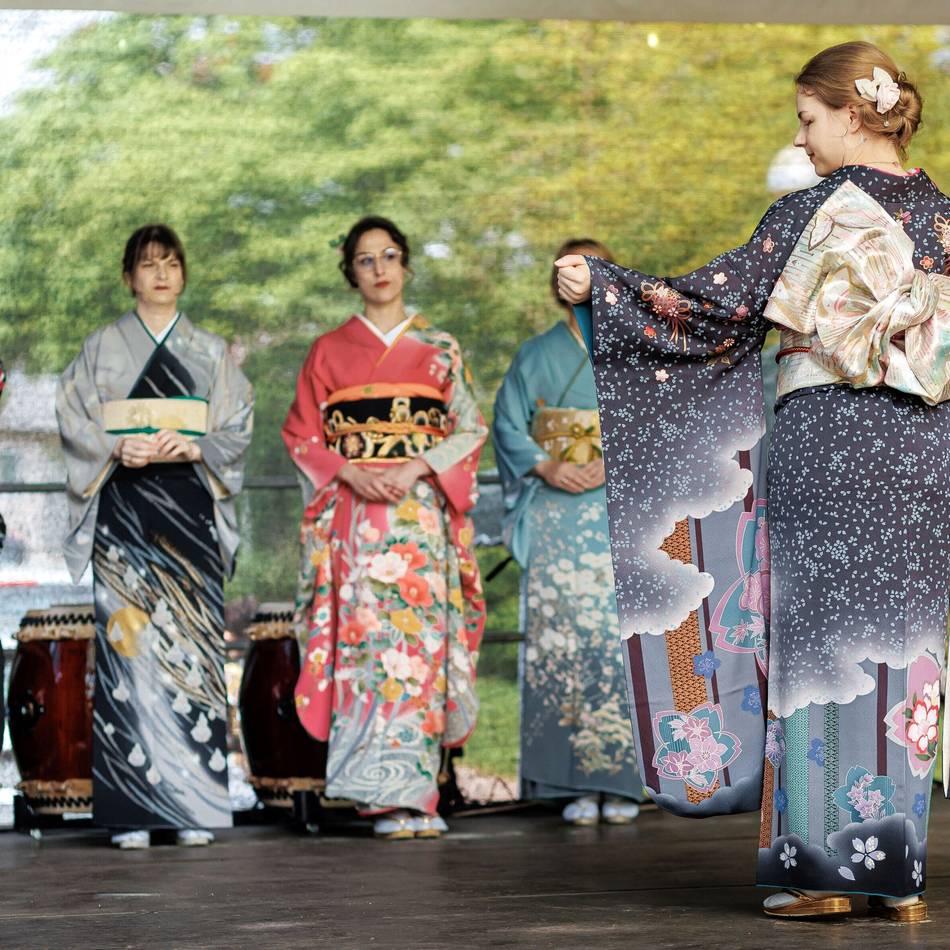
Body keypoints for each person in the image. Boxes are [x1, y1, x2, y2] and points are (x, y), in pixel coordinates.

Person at [556, 41, 949, 921]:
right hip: (922, 449)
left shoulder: (812, 210)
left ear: (854, 111)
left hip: (829, 442)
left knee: (817, 653)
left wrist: (606, 288)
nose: (804, 141)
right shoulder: (949, 219)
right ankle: (891, 871)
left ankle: (822, 873)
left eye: (809, 120)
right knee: (904, 652)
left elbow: (709, 307)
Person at [283, 216, 487, 839]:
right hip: (358, 519)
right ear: (351, 271)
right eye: (366, 259)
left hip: (417, 514)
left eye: (390, 255)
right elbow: (301, 434)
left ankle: (417, 795)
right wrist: (347, 470)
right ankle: (376, 795)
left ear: (405, 265)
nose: (379, 269)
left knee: (419, 644)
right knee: (369, 646)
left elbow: (469, 427)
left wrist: (418, 466)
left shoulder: (440, 347)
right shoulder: (327, 349)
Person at [56, 224, 254, 849]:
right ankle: (134, 807)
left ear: (183, 274)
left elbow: (239, 423)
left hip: (188, 507)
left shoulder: (210, 350)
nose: (161, 274)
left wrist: (195, 444)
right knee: (128, 645)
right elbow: (70, 413)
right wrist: (117, 444)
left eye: (171, 263)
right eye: (148, 265)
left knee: (191, 648)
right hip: (126, 506)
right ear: (129, 277)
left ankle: (191, 804)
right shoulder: (102, 347)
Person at [492, 239, 644, 825]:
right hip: (556, 511)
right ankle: (564, 782)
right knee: (559, 643)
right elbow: (509, 425)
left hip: (617, 507)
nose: (574, 279)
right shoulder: (535, 354)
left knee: (617, 642)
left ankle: (624, 782)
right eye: (565, 270)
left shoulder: (634, 349)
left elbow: (655, 423)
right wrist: (547, 464)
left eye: (588, 268)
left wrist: (614, 460)